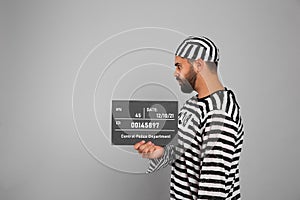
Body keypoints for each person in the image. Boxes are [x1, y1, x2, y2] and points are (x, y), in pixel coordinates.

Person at [134, 36, 244, 200]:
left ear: (198, 65)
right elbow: (182, 152)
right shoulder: (192, 104)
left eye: (179, 66)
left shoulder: (220, 113)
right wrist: (161, 153)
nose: (175, 73)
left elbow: (213, 190)